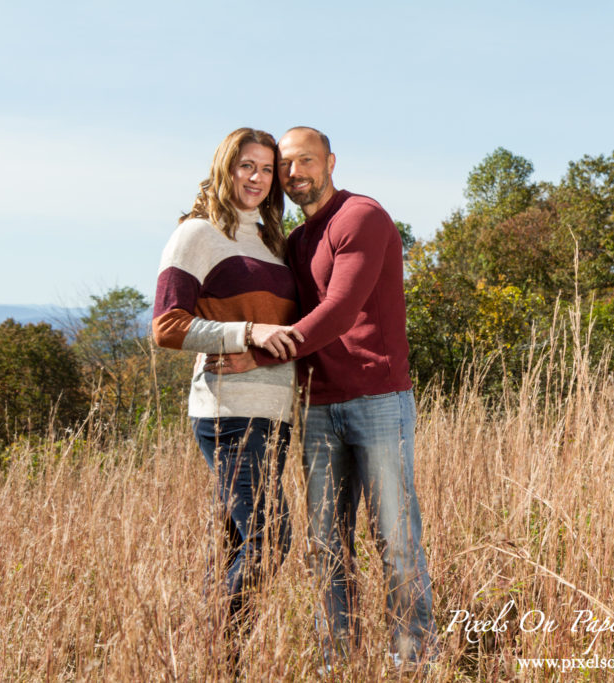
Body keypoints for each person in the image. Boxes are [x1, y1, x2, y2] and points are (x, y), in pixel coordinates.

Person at [208, 126, 437, 665]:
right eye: (284, 166)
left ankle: (413, 660)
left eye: (304, 161)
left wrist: (257, 355)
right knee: (327, 548)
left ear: (331, 161)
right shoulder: (295, 241)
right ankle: (340, 661)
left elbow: (337, 310)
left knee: (396, 541)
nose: (293, 174)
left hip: (376, 399)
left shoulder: (362, 216)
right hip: (314, 408)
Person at [152, 127, 304, 634]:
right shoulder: (196, 234)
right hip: (228, 411)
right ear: (225, 167)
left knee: (239, 545)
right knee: (270, 540)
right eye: (246, 166)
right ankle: (217, 644)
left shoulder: (272, 241)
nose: (257, 178)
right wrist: (247, 332)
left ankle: (215, 656)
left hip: (276, 412)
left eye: (266, 169)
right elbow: (167, 328)